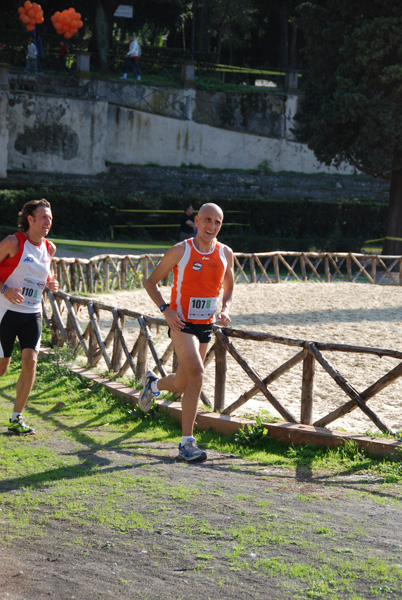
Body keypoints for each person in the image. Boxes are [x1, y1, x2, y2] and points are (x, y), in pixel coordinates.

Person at [139, 203, 234, 462]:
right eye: (206, 220)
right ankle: (186, 444)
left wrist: (225, 309)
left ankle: (153, 384)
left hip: (206, 324)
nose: (211, 226)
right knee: (198, 374)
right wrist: (166, 311)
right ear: (196, 221)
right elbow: (150, 282)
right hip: (181, 324)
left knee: (182, 383)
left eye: (217, 222)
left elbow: (228, 288)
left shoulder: (226, 253)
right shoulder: (181, 250)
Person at [0, 199, 59, 436]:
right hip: (5, 312)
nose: (48, 222)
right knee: (2, 368)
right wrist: (5, 290)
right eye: (43, 217)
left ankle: (17, 417)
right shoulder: (13, 242)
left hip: (33, 312)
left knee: (30, 361)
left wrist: (51, 282)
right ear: (30, 219)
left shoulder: (50, 248)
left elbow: (42, 275)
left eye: (50, 218)